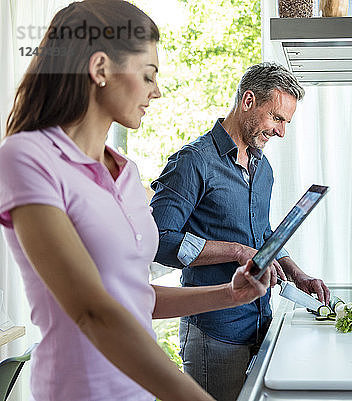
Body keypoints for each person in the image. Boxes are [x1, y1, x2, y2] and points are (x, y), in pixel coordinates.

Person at [0, 2, 276, 400]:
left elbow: (137, 299)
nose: (157, 91)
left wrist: (229, 295)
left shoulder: (126, 173)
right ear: (100, 70)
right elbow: (93, 311)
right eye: (148, 75)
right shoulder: (28, 158)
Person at [150, 62, 331, 401]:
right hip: (213, 332)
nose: (281, 132)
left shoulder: (263, 168)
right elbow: (159, 241)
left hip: (260, 322)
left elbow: (262, 234)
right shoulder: (193, 162)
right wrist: (235, 251)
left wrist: (297, 275)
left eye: (286, 123)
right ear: (248, 100)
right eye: (276, 118)